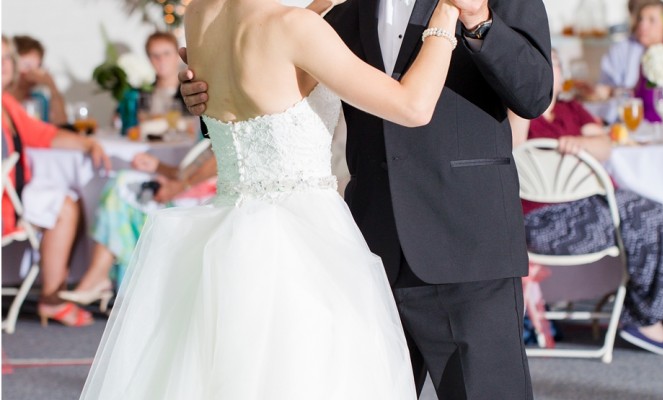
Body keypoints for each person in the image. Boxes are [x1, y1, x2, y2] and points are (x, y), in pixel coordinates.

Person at [79, 0, 467, 397]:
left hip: (226, 233)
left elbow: (269, 54)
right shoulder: (296, 28)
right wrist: (445, 17)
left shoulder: (199, 15)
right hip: (303, 239)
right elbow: (413, 106)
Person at [180, 0, 552, 398]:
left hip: (465, 244)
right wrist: (211, 91)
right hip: (365, 251)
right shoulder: (329, 11)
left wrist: (479, 20)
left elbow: (535, 95)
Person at [508, 50, 663, 356]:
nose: (547, 68)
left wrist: (580, 144)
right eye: (539, 60)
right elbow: (515, 152)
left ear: (563, 75)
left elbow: (605, 144)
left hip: (587, 205)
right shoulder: (518, 112)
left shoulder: (572, 109)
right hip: (543, 220)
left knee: (656, 210)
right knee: (645, 217)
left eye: (553, 63)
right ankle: (645, 319)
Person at [2, 35, 111, 327]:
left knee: (69, 200)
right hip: (4, 205)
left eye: (7, 59)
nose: (4, 65)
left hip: (12, 194)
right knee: (64, 206)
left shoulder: (6, 103)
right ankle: (52, 299)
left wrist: (87, 143)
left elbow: (42, 133)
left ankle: (55, 293)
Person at [57, 146, 217, 309]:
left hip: (209, 200)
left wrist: (180, 186)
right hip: (195, 187)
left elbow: (222, 159)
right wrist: (159, 167)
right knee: (121, 183)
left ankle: (102, 278)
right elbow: (206, 160)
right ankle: (100, 276)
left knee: (120, 190)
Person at [9, 35, 68, 126]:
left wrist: (52, 86)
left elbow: (61, 123)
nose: (35, 71)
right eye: (27, 65)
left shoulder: (40, 99)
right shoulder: (4, 99)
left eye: (39, 65)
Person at [138, 31, 189, 118]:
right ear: (149, 59)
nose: (161, 59)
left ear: (178, 55)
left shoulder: (191, 93)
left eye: (166, 53)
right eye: (155, 55)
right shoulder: (141, 95)